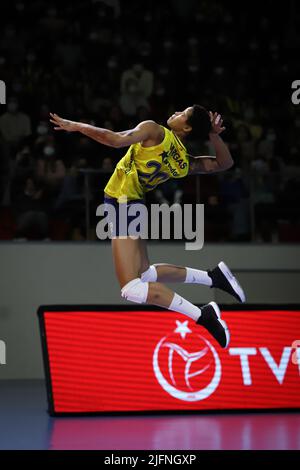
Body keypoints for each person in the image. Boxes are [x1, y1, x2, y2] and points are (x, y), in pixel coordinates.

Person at [50, 105, 246, 349]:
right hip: (134, 203)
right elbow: (224, 164)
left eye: (181, 114)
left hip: (123, 202)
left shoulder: (153, 129)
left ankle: (201, 315)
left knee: (131, 288)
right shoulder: (184, 161)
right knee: (144, 275)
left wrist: (77, 126)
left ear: (186, 127)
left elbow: (115, 140)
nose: (175, 113)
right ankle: (212, 277)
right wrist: (214, 135)